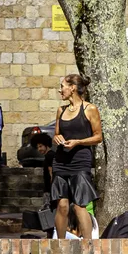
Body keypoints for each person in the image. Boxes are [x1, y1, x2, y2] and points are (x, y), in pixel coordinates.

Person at [51, 73, 101, 239]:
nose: (60, 91)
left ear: (72, 88)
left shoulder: (90, 109)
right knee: (62, 205)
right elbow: (57, 134)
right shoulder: (61, 110)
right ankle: (59, 244)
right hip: (60, 162)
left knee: (80, 205)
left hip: (80, 162)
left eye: (62, 87)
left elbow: (98, 137)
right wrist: (57, 137)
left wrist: (78, 142)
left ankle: (88, 246)